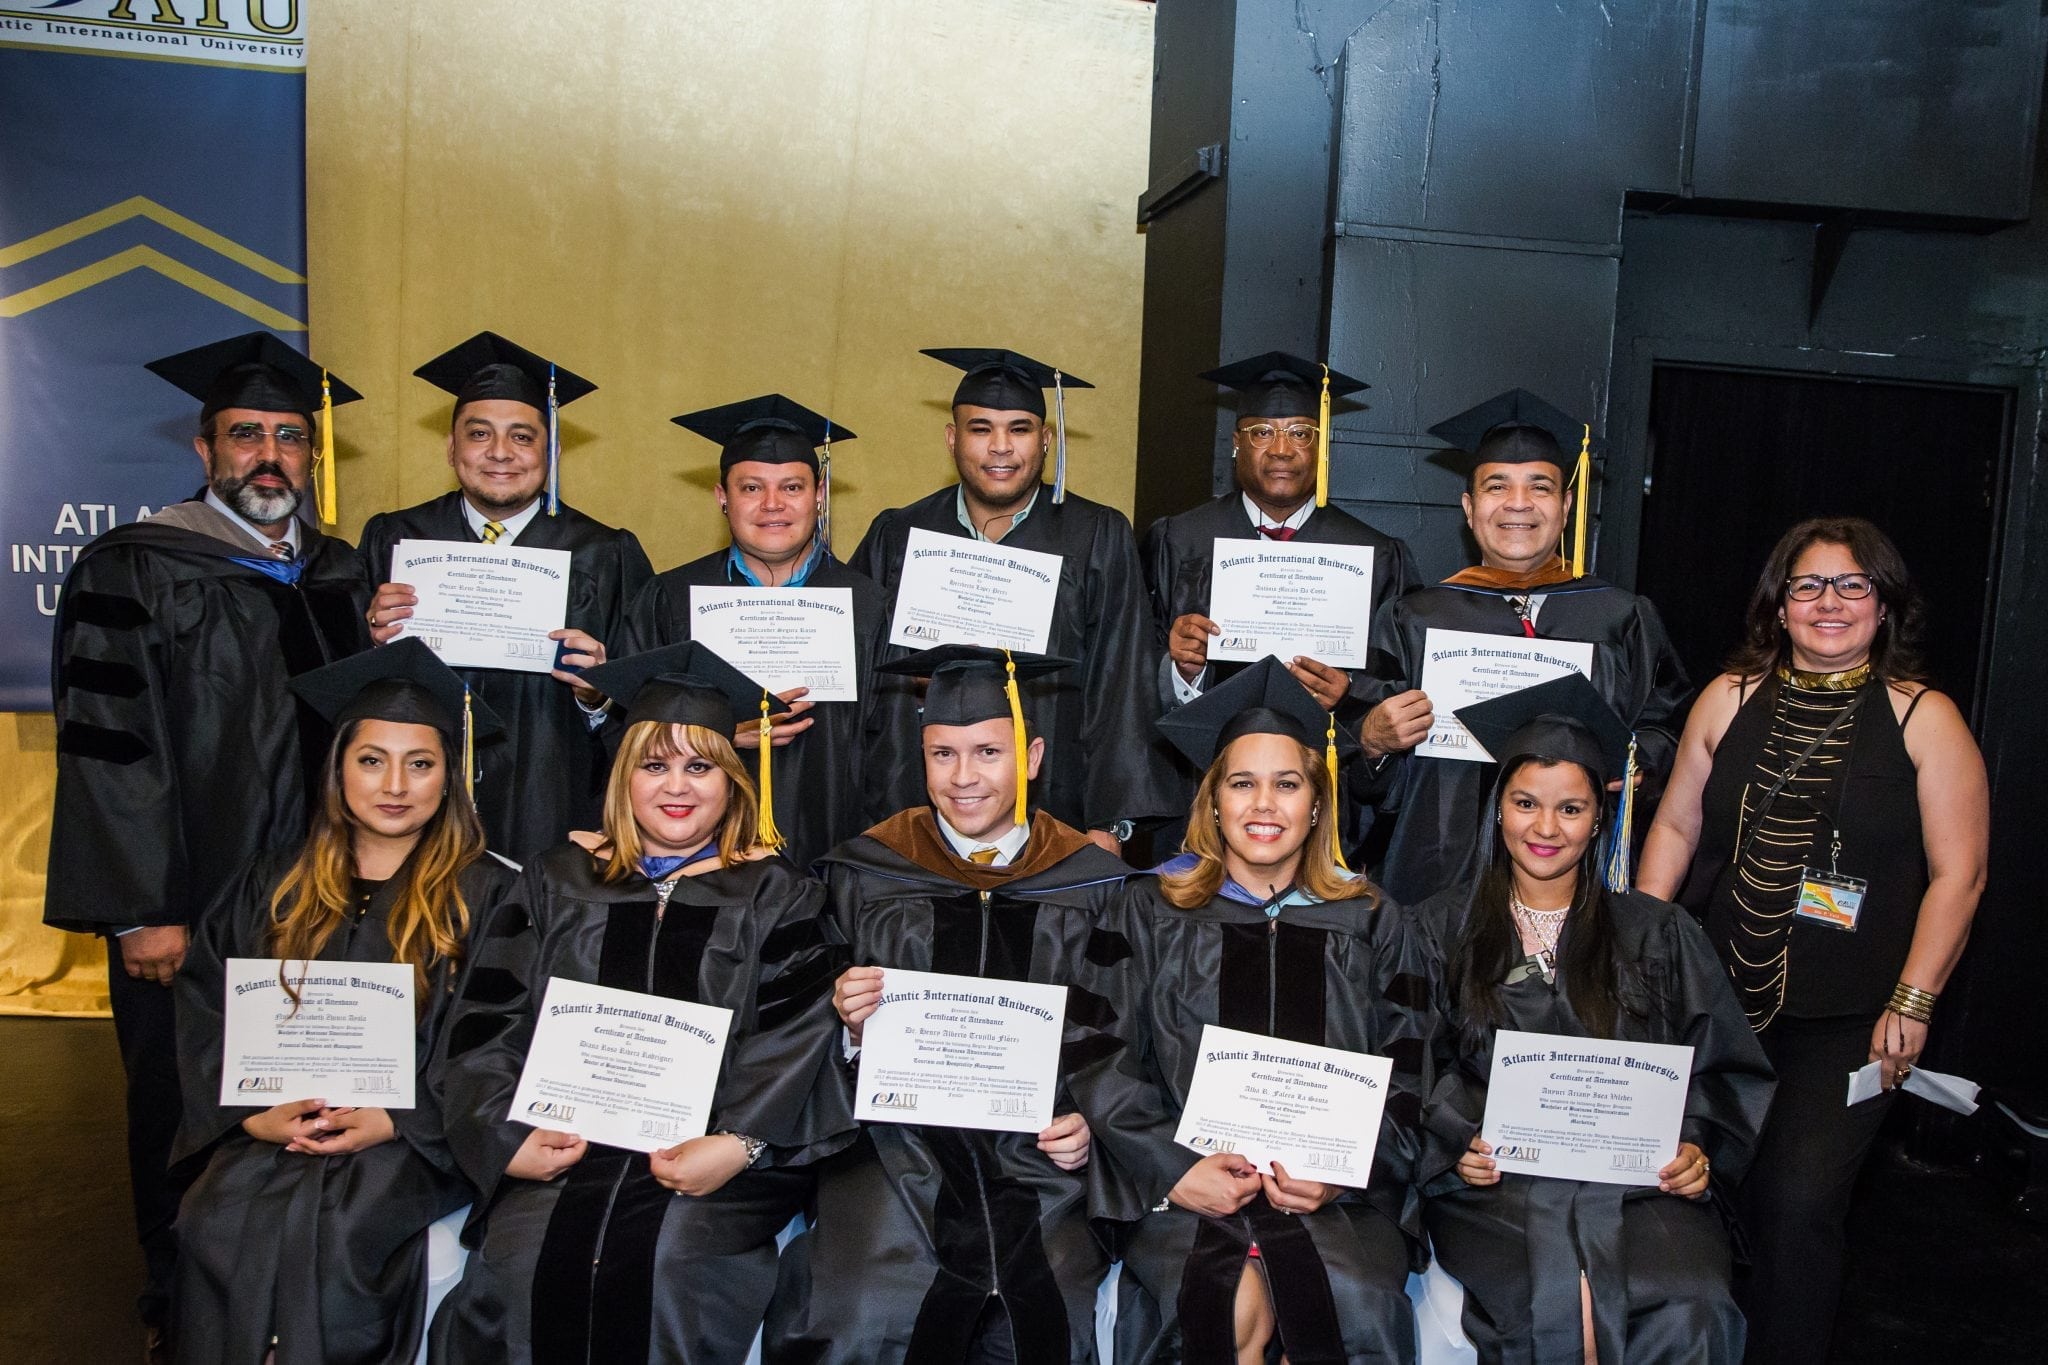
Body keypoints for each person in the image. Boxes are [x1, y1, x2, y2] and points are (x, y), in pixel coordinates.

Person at [43, 331, 370, 1355]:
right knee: (184, 1098)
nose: (269, 455)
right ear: (205, 448)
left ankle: (291, 1294)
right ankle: (178, 1299)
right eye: (246, 435)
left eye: (288, 436)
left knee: (314, 1092)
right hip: (191, 899)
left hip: (319, 898)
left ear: (311, 453)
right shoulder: (133, 567)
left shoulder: (341, 573)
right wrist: (142, 908)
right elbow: (109, 747)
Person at [430, 642, 853, 1364]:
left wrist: (739, 1143)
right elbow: (488, 1019)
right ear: (624, 775)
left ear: (734, 781)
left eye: (700, 767)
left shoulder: (778, 894)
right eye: (654, 766)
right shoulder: (557, 879)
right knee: (528, 1260)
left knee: (667, 1261)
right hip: (566, 1149)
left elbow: (796, 1034)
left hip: (710, 1165)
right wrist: (506, 1137)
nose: (676, 787)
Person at [1637, 516, 1988, 1364]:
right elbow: (1676, 827)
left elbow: (1962, 874)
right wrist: (1636, 942)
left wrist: (1914, 1001)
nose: (1829, 602)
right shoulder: (1727, 697)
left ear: (1883, 603)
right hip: (1718, 1009)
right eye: (1809, 585)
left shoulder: (1925, 718)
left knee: (1797, 1206)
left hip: (1852, 1023)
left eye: (1851, 584)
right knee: (1701, 1191)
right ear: (1779, 602)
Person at [765, 645, 1136, 1363]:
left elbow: (1126, 1029)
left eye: (988, 752)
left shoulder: (1092, 884)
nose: (964, 777)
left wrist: (1091, 1120)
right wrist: (847, 1026)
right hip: (890, 1147)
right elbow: (792, 1026)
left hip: (1039, 1157)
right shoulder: (865, 870)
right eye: (943, 754)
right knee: (861, 1304)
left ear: (1031, 758)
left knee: (1049, 1307)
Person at [170, 639, 516, 1364]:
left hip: (414, 1139)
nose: (395, 784)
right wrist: (251, 1111)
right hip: (280, 1123)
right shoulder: (274, 883)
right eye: (371, 759)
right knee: (213, 1217)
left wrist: (399, 1120)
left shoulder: (489, 895)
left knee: (346, 1227)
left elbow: (497, 1036)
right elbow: (207, 1005)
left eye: (420, 763)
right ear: (338, 769)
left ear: (450, 777)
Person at [1415, 673, 1773, 1365]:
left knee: (1688, 1304)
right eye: (1525, 803)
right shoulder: (1438, 929)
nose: (1546, 828)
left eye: (1571, 808)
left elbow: (1721, 1064)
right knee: (1547, 1304)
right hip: (1498, 1190)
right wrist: (1457, 1141)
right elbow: (1411, 1060)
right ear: (1497, 809)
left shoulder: (1658, 932)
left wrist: (1696, 1147)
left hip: (1641, 1189)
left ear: (1599, 817)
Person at [1087, 658, 1436, 1364]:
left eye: (1287, 784)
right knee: (1214, 1301)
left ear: (1318, 802)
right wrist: (1173, 1167)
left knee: (1352, 1301)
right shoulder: (1147, 908)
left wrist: (1341, 1171)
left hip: (1337, 1200)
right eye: (1242, 783)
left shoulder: (1373, 920)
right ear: (1213, 801)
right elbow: (1101, 1050)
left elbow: (1412, 1068)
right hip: (1184, 1191)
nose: (1264, 805)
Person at [1359, 389, 1689, 904]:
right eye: (1497, 486)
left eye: (1540, 486)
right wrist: (1373, 740)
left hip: (1574, 874)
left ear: (1566, 506)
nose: (1518, 503)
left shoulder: (1621, 617)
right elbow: (1359, 757)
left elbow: (1666, 723)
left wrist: (1635, 758)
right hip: (1438, 871)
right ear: (1470, 508)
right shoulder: (1415, 617)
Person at [851, 348, 1175, 855]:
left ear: (1045, 440)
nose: (1000, 447)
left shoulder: (1096, 535)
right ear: (952, 439)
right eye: (980, 429)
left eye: (1019, 429)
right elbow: (855, 672)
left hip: (1057, 810)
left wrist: (1110, 823)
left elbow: (1121, 680)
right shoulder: (899, 534)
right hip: (912, 808)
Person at [360, 331, 653, 859]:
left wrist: (599, 695)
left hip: (552, 797)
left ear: (551, 452)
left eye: (522, 436)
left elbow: (648, 710)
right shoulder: (396, 540)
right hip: (419, 800)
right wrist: (372, 645)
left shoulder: (605, 553)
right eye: (479, 434)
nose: (500, 453)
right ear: (452, 448)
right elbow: (344, 693)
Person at [1142, 351, 1421, 859]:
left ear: (1321, 446)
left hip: (1321, 801)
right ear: (1235, 443)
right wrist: (1180, 669)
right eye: (1262, 432)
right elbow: (1128, 669)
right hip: (1197, 795)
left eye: (1300, 433)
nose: (1281, 449)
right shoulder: (1179, 539)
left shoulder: (1376, 554)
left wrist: (1349, 693)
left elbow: (1396, 684)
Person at [621, 393, 897, 871]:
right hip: (695, 856)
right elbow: (630, 740)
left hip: (834, 847)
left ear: (819, 495)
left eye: (792, 487)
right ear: (722, 497)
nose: (773, 504)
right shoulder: (671, 599)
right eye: (751, 487)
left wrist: (869, 868)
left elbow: (891, 753)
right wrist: (718, 732)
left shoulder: (869, 606)